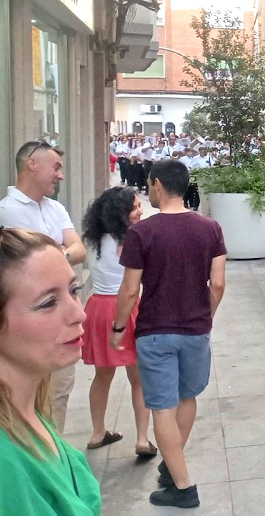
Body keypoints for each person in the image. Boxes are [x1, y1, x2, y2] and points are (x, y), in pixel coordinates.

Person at [110, 159, 227, 508]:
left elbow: (130, 290)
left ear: (158, 185)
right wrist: (204, 315)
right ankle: (171, 464)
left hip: (155, 330)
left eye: (149, 184)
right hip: (195, 330)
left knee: (162, 407)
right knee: (187, 397)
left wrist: (118, 328)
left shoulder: (141, 233)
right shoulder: (210, 228)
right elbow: (218, 283)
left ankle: (184, 487)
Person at [0, 227, 102, 514]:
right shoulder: (5, 466)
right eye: (48, 303)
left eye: (73, 291)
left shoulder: (26, 410)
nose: (79, 314)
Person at [0, 141, 86, 430]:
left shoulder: (55, 207)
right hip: (35, 332)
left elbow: (80, 249)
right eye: (56, 167)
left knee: (58, 396)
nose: (60, 175)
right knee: (27, 400)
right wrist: (62, 253)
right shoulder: (8, 212)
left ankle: (55, 454)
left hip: (60, 330)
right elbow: (37, 268)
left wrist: (54, 255)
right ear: (31, 164)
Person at [80, 187, 155, 459]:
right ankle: (143, 439)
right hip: (126, 307)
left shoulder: (94, 238)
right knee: (138, 378)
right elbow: (134, 285)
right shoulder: (133, 240)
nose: (140, 210)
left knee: (102, 375)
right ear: (121, 212)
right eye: (135, 207)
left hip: (98, 307)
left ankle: (97, 432)